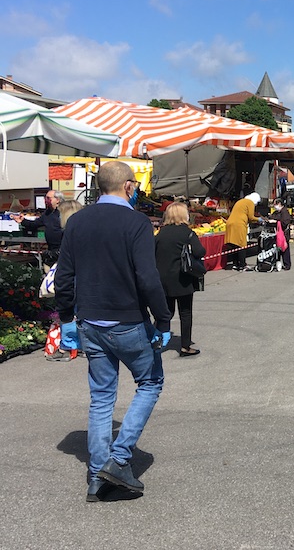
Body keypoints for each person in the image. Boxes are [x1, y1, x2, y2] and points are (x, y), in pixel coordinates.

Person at [54, 161, 172, 502]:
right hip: (127, 320)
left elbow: (64, 277)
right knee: (150, 382)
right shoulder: (136, 222)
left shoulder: (77, 221)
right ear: (129, 187)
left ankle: (96, 474)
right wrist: (163, 320)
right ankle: (119, 459)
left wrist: (65, 318)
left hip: (90, 321)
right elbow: (147, 278)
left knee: (102, 397)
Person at [154, 202, 205, 358]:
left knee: (165, 313)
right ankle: (185, 346)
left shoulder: (160, 234)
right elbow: (200, 251)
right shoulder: (187, 233)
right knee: (185, 312)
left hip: (162, 278)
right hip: (183, 279)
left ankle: (154, 341)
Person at [45, 199, 84, 362]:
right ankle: (80, 345)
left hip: (70, 277)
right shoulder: (85, 233)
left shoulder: (67, 234)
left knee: (67, 310)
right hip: (85, 278)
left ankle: (68, 347)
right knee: (80, 312)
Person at [14, 189, 64, 266]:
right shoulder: (47, 213)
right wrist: (22, 221)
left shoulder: (63, 212)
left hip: (63, 248)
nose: (45, 200)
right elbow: (35, 224)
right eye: (45, 198)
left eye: (48, 198)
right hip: (51, 249)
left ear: (57, 200)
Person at [224, 192, 261, 271]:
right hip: (239, 224)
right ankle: (242, 265)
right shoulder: (250, 202)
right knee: (242, 244)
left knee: (234, 244)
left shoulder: (241, 201)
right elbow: (251, 217)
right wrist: (259, 219)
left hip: (230, 223)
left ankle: (235, 264)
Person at [269, 198, 292, 270]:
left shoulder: (284, 211)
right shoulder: (277, 212)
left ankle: (287, 265)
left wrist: (276, 221)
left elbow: (285, 222)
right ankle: (277, 263)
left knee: (285, 249)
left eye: (275, 204)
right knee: (278, 250)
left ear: (279, 204)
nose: (274, 206)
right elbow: (274, 216)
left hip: (284, 234)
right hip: (277, 233)